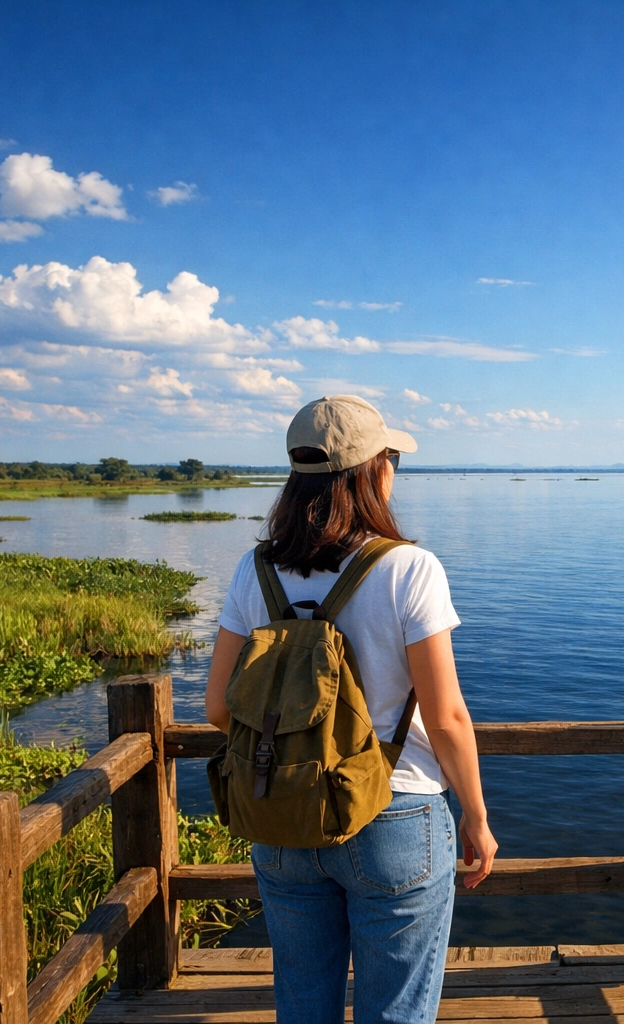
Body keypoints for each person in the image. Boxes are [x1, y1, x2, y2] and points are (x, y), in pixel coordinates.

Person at [206, 394, 497, 1024]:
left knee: (303, 1004)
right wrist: (475, 815)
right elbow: (446, 718)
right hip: (394, 811)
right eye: (391, 456)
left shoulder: (255, 570)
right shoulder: (408, 569)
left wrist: (296, 753)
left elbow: (216, 707)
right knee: (395, 1011)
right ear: (374, 471)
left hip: (282, 813)